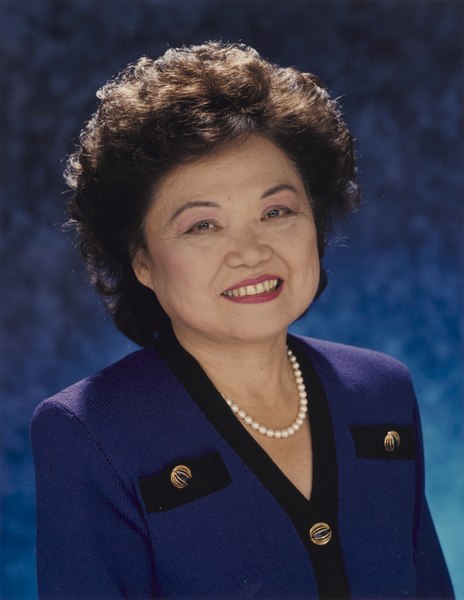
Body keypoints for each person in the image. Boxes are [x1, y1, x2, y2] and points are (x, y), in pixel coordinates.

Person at [30, 42, 454, 599]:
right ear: (141, 261)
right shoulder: (90, 431)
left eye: (276, 212)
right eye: (203, 226)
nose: (250, 252)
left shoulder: (381, 392)